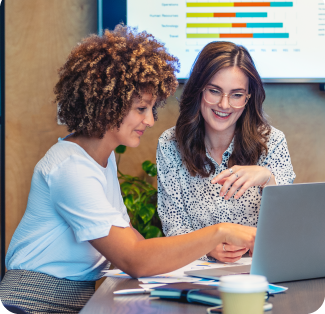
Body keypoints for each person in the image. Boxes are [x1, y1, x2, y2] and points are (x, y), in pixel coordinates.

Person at [0, 26, 256, 314]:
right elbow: (135, 258)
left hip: (75, 299)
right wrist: (218, 233)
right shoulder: (70, 168)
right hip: (33, 301)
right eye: (140, 109)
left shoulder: (101, 159)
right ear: (108, 105)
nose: (150, 120)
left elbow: (133, 241)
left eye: (151, 109)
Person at [157, 41, 295, 264]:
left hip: (258, 270)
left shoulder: (273, 141)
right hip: (195, 271)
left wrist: (267, 178)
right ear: (198, 90)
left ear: (248, 98)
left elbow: (289, 226)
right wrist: (208, 248)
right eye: (214, 91)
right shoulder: (170, 144)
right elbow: (173, 225)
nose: (224, 104)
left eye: (236, 95)